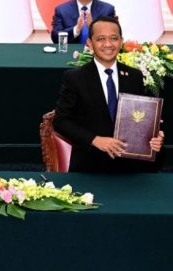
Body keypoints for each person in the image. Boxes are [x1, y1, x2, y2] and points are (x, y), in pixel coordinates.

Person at [54, 16, 165, 173]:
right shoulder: (75, 78)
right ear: (89, 43)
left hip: (131, 167)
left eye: (114, 38)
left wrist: (154, 136)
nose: (108, 44)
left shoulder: (134, 76)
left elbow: (141, 118)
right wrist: (95, 140)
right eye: (100, 39)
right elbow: (61, 121)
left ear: (121, 42)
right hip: (90, 166)